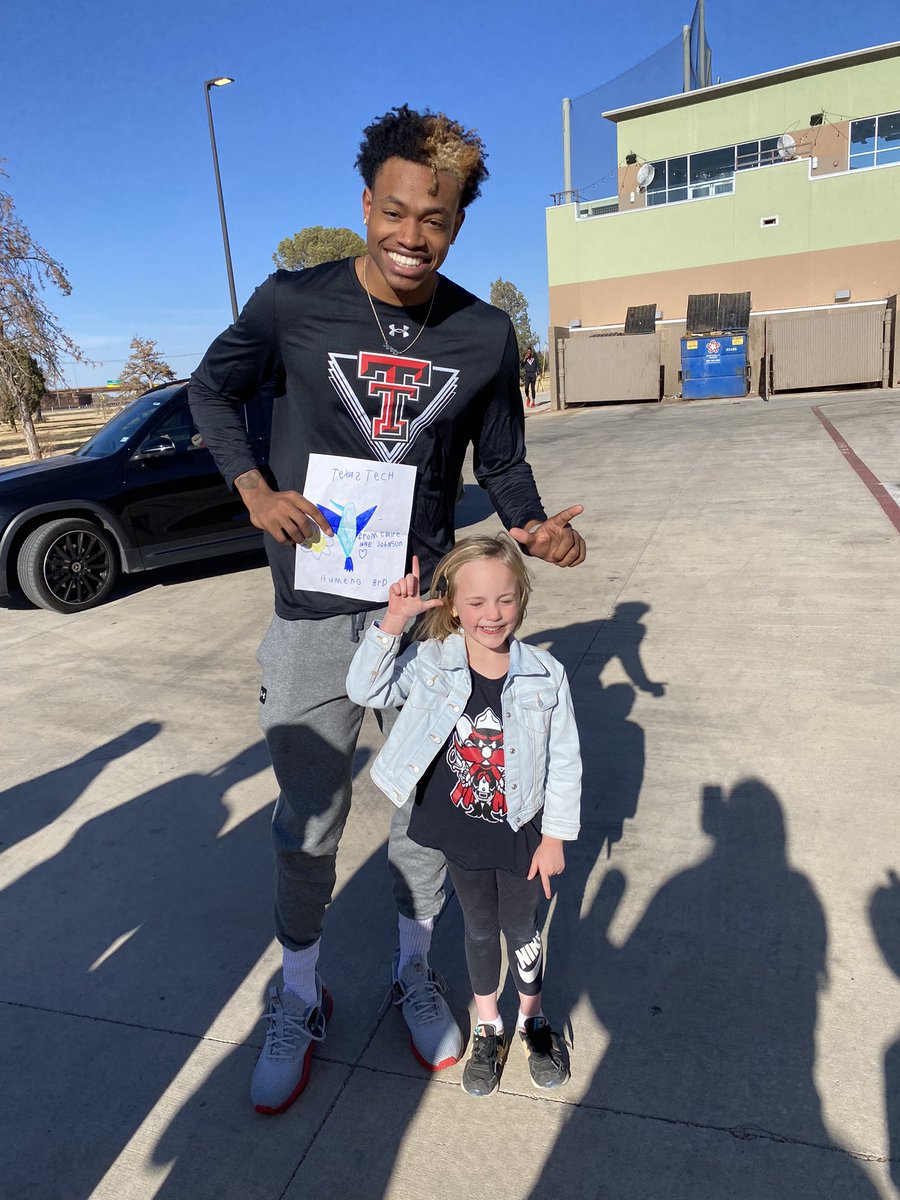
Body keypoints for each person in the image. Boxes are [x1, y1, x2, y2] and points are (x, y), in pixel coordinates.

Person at [188, 104, 586, 1115]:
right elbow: (210, 391)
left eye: (436, 219)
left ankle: (414, 972)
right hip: (315, 614)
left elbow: (500, 461)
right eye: (396, 211)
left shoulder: (482, 333)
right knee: (307, 824)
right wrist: (252, 491)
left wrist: (534, 526)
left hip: (426, 619)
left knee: (427, 817)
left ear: (457, 222)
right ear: (367, 203)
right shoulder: (292, 303)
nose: (412, 235)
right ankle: (300, 996)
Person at [347, 536, 581, 1096]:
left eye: (504, 599)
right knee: (478, 929)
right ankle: (487, 1025)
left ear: (521, 600)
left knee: (521, 929)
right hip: (460, 831)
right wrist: (391, 624)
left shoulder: (546, 676)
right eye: (475, 603)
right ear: (452, 605)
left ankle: (532, 1019)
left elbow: (565, 762)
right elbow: (363, 687)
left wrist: (555, 836)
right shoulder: (429, 662)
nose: (491, 614)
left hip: (521, 830)